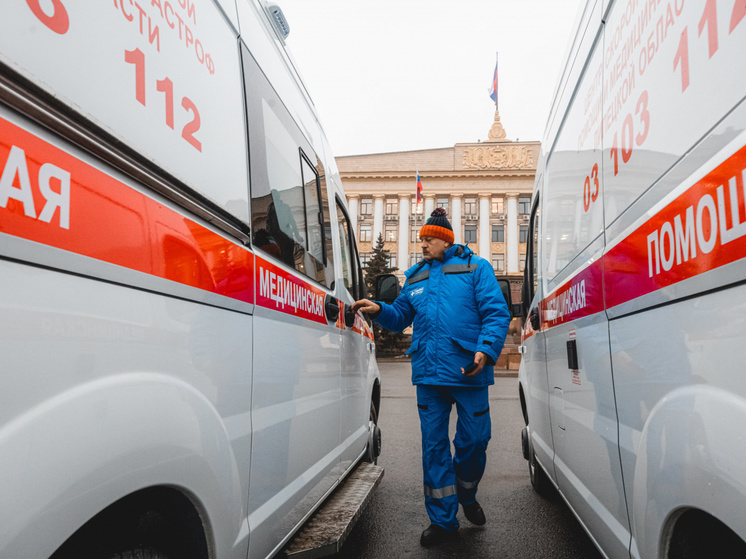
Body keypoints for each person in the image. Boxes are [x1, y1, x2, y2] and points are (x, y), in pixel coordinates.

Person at [351, 207, 511, 547]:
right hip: (428, 374)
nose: (422, 244)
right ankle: (442, 520)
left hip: (469, 371)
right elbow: (400, 316)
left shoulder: (476, 269)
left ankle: (467, 493)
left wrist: (485, 348)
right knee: (434, 447)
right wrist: (380, 309)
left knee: (474, 441)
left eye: (429, 239)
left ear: (446, 240)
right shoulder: (417, 277)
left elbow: (496, 313)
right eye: (421, 239)